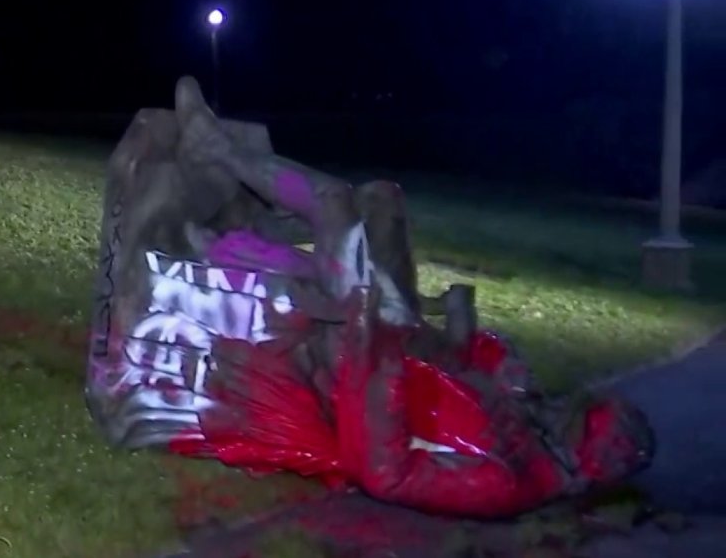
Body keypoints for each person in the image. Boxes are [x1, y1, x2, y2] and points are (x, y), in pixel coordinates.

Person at [166, 77, 654, 517]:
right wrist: (472, 338)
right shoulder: (532, 424)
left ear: (585, 457)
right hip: (395, 343)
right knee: (382, 201)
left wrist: (382, 367)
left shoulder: (507, 482)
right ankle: (245, 236)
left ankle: (212, 153)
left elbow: (387, 473)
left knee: (335, 205)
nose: (562, 409)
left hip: (356, 372)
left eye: (576, 419)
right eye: (575, 409)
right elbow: (471, 363)